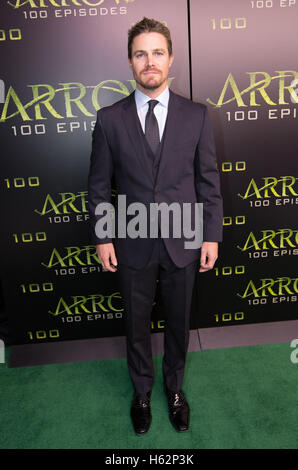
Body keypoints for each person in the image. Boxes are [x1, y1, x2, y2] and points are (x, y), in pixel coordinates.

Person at [88, 17, 223, 435]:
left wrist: (211, 235)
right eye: (141, 54)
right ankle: (142, 391)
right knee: (135, 324)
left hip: (184, 239)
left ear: (170, 58)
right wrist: (103, 235)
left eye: (157, 53)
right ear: (130, 62)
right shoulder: (109, 119)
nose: (150, 62)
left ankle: (175, 390)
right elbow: (97, 186)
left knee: (179, 324)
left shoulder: (197, 116)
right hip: (130, 243)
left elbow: (208, 182)